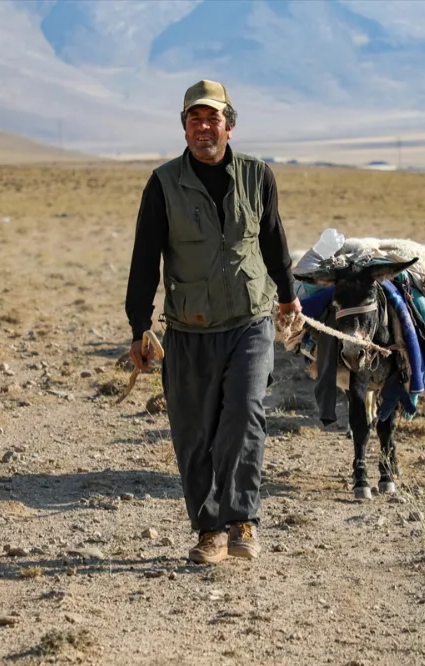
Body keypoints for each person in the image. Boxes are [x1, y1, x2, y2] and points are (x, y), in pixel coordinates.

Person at [124, 79, 301, 564]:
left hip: (248, 320)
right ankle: (209, 529)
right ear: (184, 128)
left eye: (213, 119)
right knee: (194, 431)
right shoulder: (163, 184)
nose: (204, 128)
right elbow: (145, 260)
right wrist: (140, 326)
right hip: (189, 328)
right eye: (195, 119)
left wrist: (287, 299)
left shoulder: (257, 175)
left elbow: (273, 241)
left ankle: (243, 518)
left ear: (230, 125)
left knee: (244, 414)